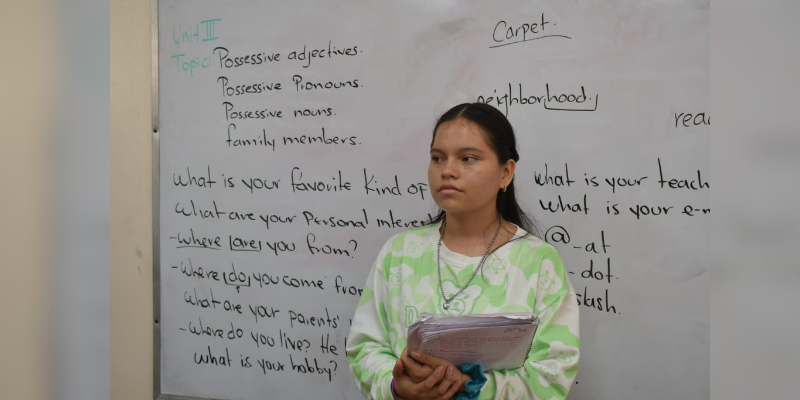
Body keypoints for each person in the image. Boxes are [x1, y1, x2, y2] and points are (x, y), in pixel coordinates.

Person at [346, 103, 580, 400]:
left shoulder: (538, 261)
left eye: (468, 158)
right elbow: (364, 347)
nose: (448, 171)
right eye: (437, 158)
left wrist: (469, 387)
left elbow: (553, 373)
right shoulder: (399, 252)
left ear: (505, 173)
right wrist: (397, 387)